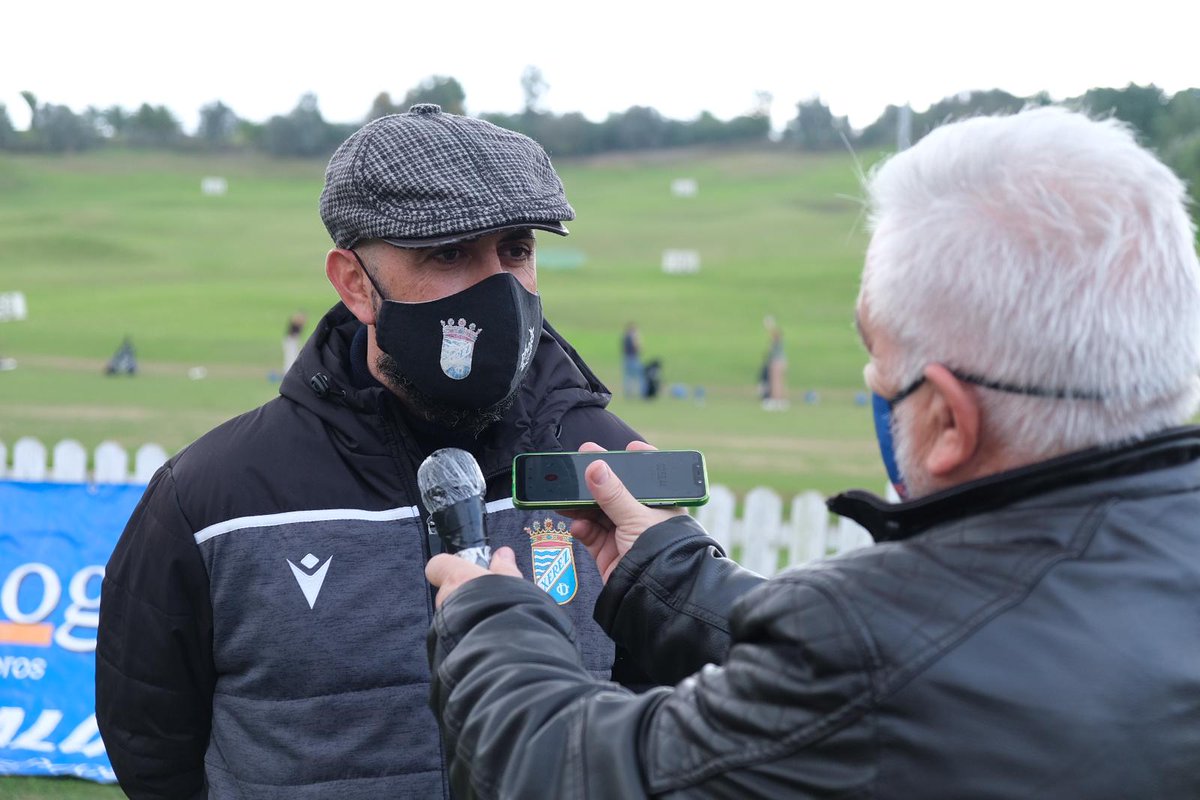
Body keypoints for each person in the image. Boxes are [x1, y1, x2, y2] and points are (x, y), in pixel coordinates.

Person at [424, 107, 1200, 798]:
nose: (870, 378)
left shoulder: (865, 652)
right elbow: (955, 657)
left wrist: (490, 621)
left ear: (950, 424)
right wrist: (669, 569)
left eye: (878, 356)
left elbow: (566, 772)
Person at [95, 103, 643, 799]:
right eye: (448, 253)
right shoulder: (213, 496)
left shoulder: (611, 470)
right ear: (355, 283)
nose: (499, 287)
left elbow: (676, 718)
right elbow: (150, 739)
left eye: (516, 250)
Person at [621, 321, 643, 398]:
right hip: (633, 358)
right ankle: (642, 393)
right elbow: (638, 348)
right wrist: (637, 339)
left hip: (626, 358)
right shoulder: (632, 338)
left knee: (627, 377)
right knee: (639, 376)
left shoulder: (624, 337)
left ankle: (628, 393)